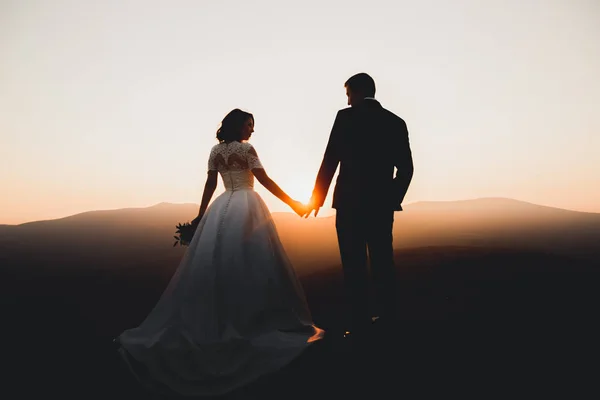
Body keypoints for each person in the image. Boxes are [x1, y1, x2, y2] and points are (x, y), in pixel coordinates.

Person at [115, 109, 324, 397]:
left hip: (222, 206)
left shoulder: (215, 150)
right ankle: (249, 319)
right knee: (252, 265)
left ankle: (221, 317)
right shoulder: (247, 149)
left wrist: (201, 216)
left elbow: (211, 184)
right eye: (249, 125)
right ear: (239, 126)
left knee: (218, 264)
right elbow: (264, 180)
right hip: (247, 206)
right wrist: (295, 204)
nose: (252, 131)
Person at [304, 73, 414, 339]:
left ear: (355, 92)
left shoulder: (346, 118)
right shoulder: (396, 122)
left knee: (353, 264)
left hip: (349, 205)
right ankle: (388, 319)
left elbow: (330, 159)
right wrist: (392, 198)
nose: (348, 100)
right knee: (382, 261)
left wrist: (316, 198)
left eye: (348, 95)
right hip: (381, 207)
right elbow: (406, 169)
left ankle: (359, 324)